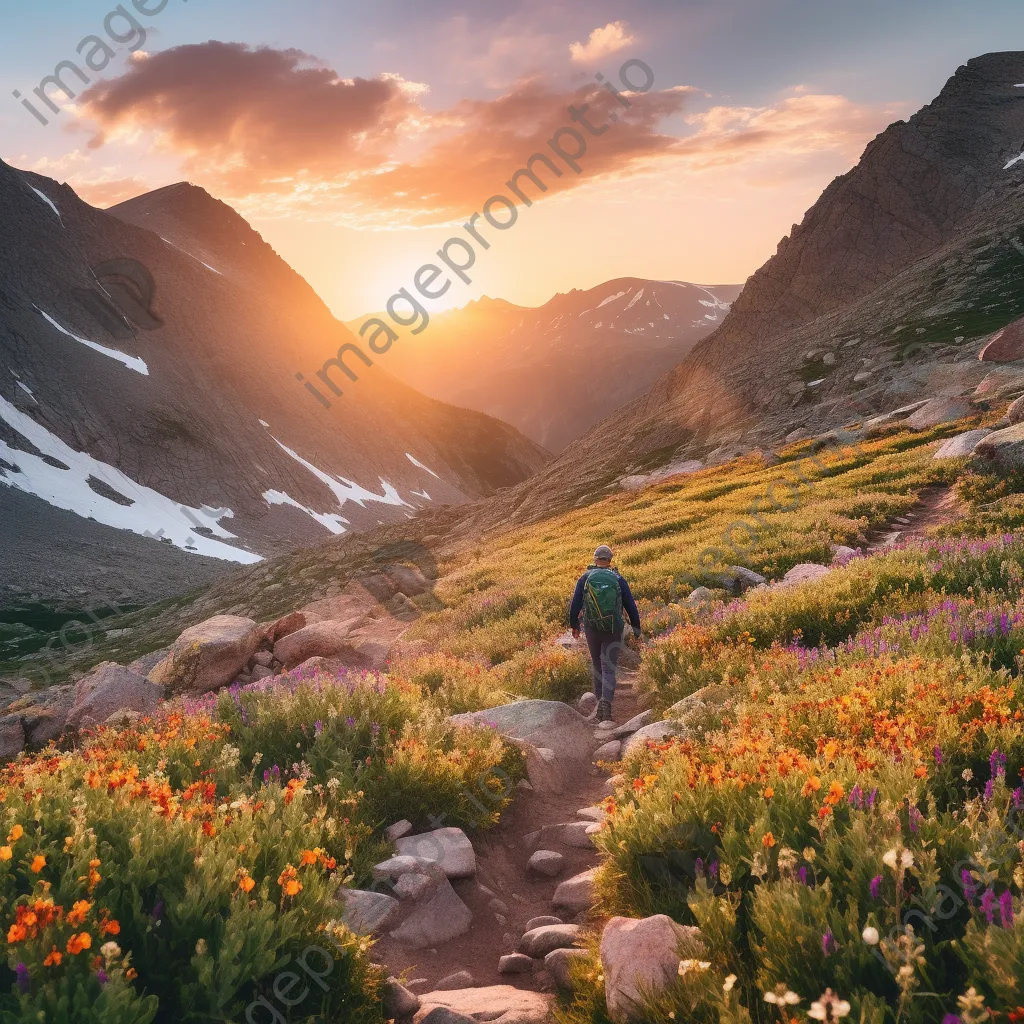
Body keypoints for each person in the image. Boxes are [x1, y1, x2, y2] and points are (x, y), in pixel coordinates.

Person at [567, 544, 642, 723]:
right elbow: (630, 605)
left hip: (592, 628)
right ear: (610, 560)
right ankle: (605, 705)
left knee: (597, 665)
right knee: (608, 667)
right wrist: (636, 627)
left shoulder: (585, 577)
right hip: (613, 629)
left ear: (595, 559)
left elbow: (575, 605)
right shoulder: (618, 578)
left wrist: (575, 625)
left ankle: (598, 708)